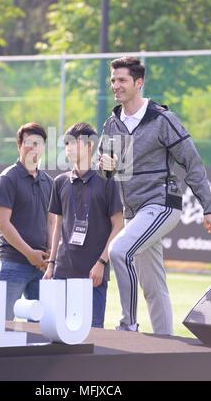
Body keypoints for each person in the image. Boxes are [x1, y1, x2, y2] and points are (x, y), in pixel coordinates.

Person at [99, 56, 211, 335]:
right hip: (134, 213)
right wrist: (104, 166)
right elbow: (108, 171)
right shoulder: (111, 124)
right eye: (113, 80)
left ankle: (127, 325)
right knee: (153, 287)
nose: (115, 85)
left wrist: (209, 208)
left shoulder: (163, 119)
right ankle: (166, 348)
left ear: (138, 83)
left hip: (162, 205)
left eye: (122, 80)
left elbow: (192, 162)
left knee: (119, 250)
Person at [43, 122, 124, 328]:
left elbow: (118, 226)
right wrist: (51, 265)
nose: (68, 147)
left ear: (90, 146)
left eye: (74, 142)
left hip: (93, 274)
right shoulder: (60, 182)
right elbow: (57, 227)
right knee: (58, 334)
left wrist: (102, 263)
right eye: (66, 143)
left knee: (92, 336)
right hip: (62, 271)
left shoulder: (107, 181)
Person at [0, 122, 53, 320]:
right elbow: (3, 223)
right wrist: (29, 254)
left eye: (39, 143)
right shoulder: (7, 179)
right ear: (19, 145)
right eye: (29, 142)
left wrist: (49, 257)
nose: (34, 147)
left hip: (41, 267)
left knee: (42, 331)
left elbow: (52, 223)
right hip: (13, 264)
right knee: (1, 326)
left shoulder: (48, 182)